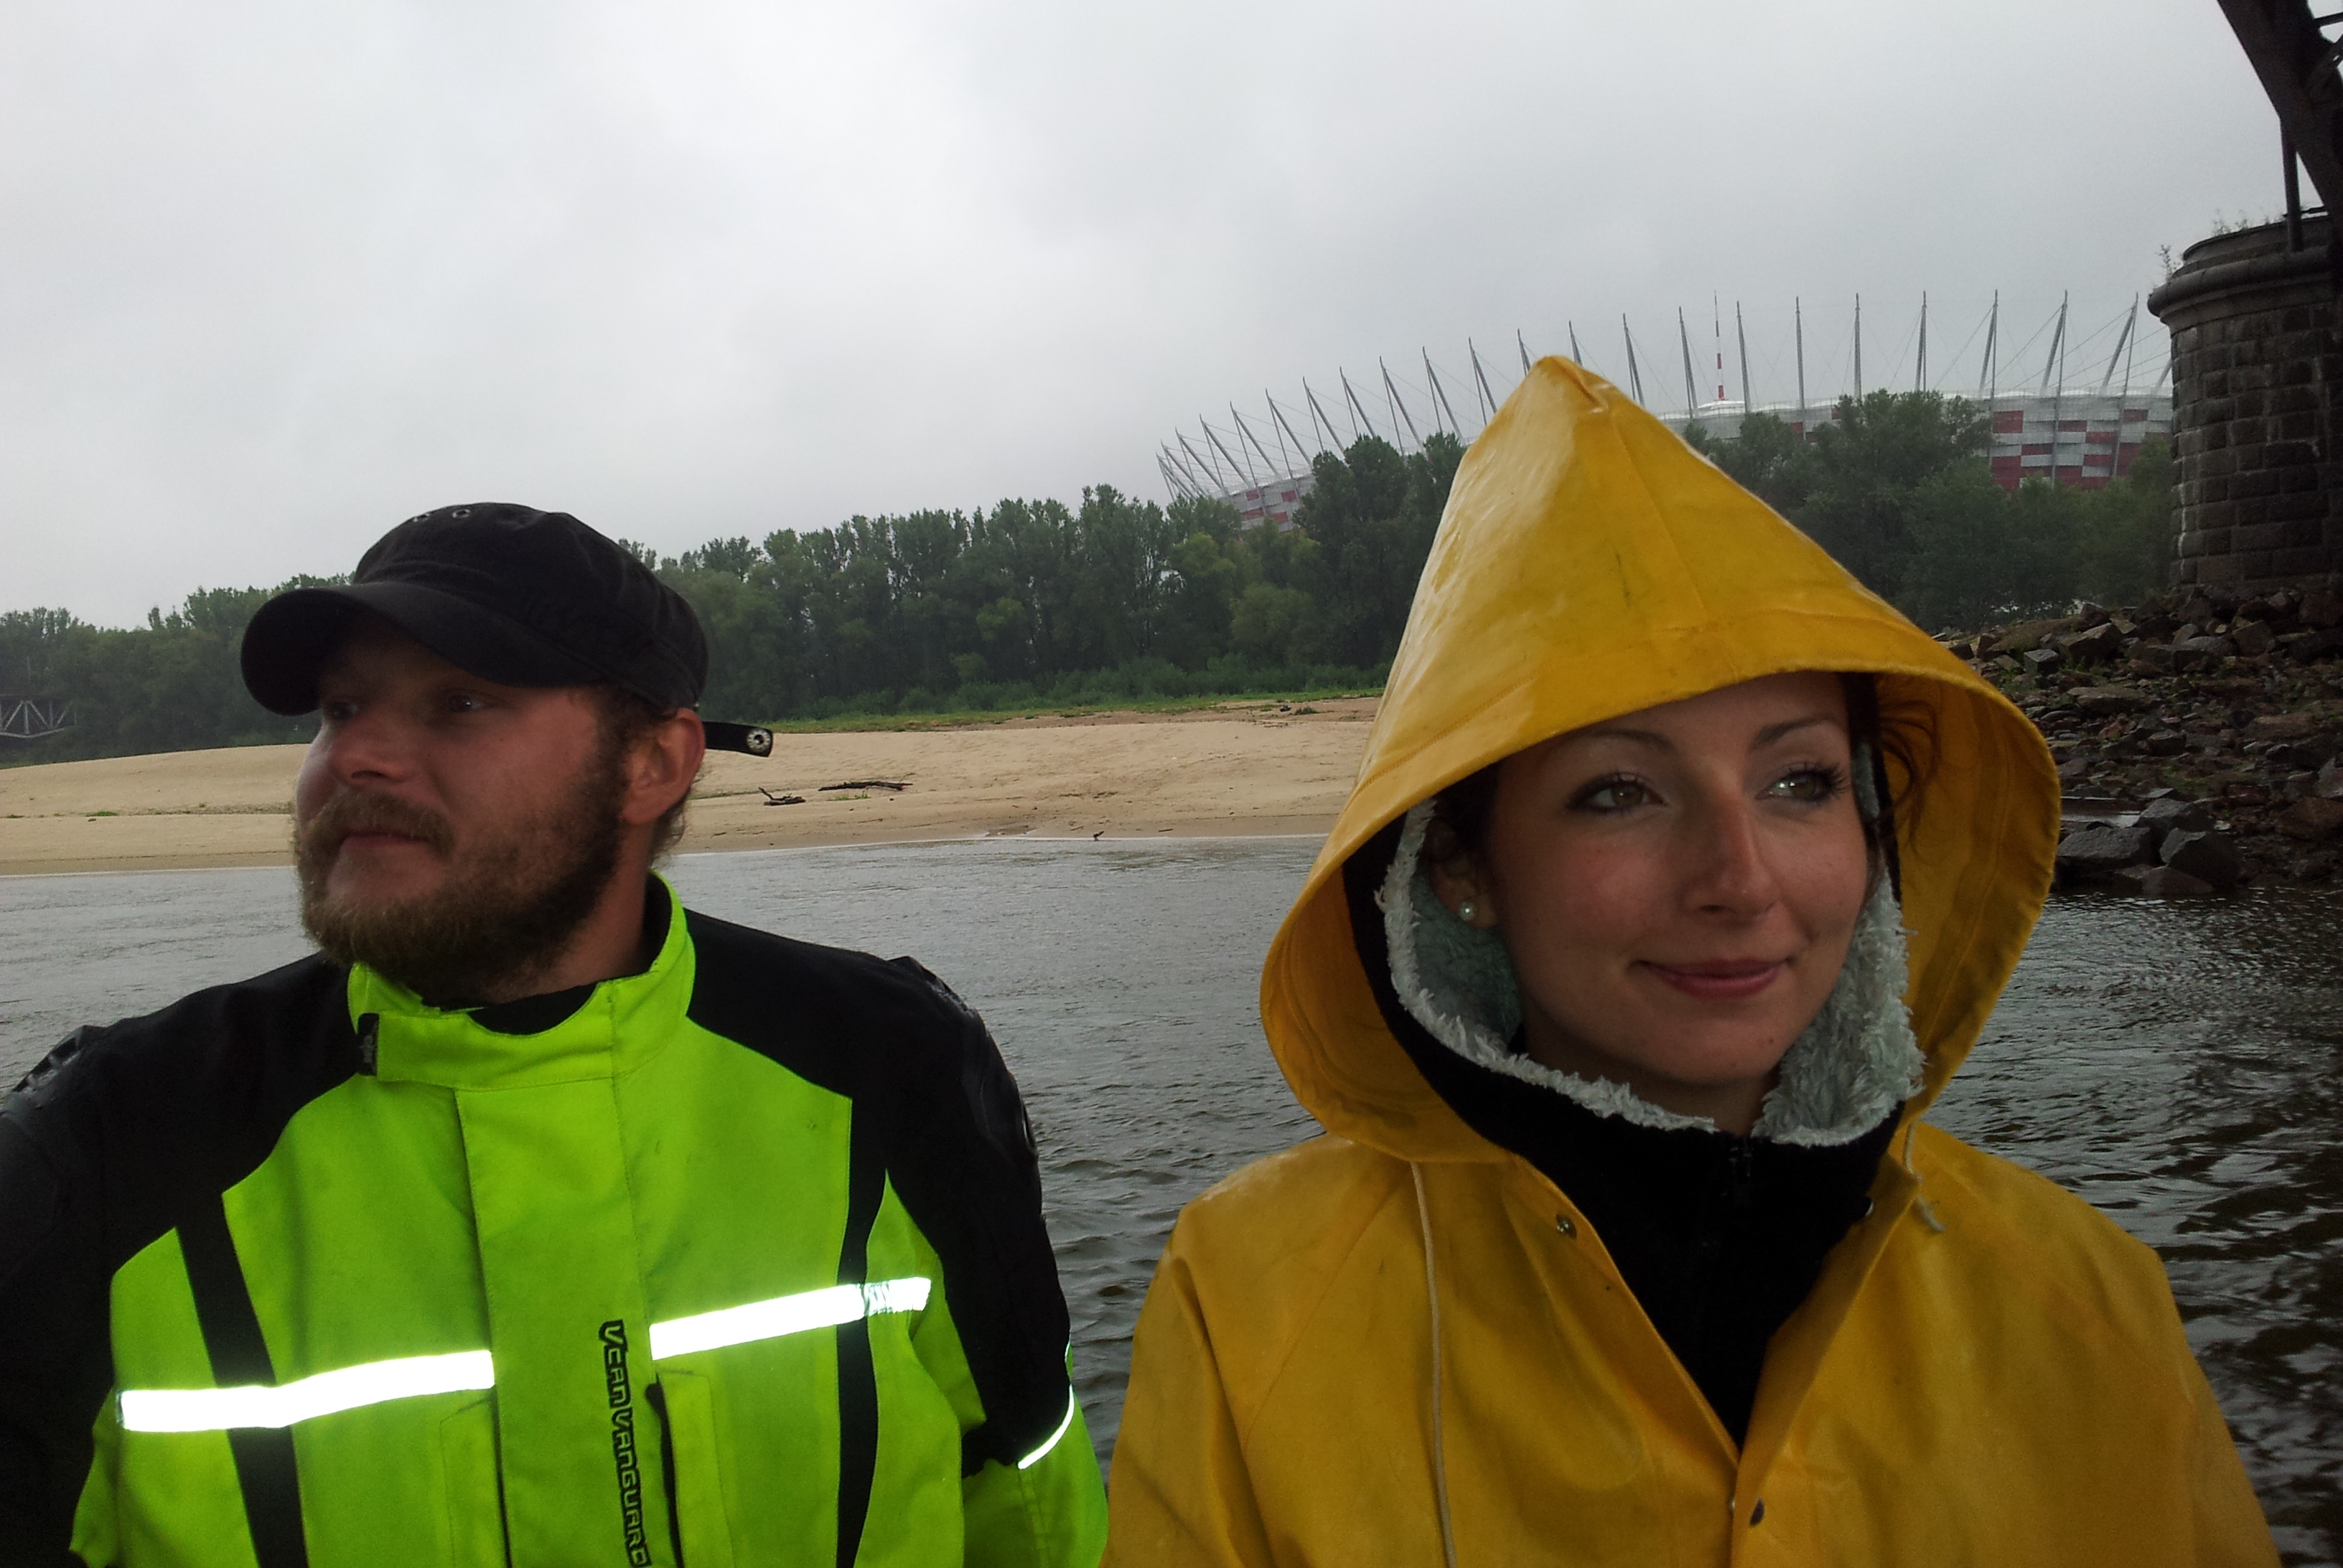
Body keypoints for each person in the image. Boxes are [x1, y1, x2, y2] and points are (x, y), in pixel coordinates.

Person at [1105, 362, 2276, 1564]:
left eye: (1798, 782)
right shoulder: (1252, 1303)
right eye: (1621, 792)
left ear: (1873, 826)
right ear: (1459, 865)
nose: (1740, 879)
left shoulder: (2084, 1302)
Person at [0, 503, 1108, 1568]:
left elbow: (1032, 1508)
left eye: (459, 704)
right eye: (340, 709)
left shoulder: (891, 1070)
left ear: (653, 764)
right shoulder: (112, 1145)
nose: (357, 756)